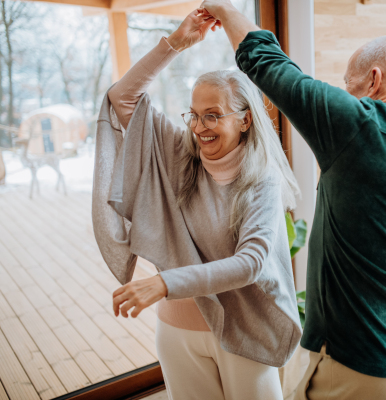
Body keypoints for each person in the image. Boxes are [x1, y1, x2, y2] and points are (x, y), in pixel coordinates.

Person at [200, 1, 386, 399]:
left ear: (374, 80)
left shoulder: (360, 125)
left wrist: (224, 9)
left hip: (354, 365)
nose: (346, 94)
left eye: (348, 83)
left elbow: (267, 63)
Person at [92, 8, 302, 400]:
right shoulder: (179, 152)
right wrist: (176, 42)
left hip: (245, 327)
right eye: (194, 114)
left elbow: (251, 262)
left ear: (244, 121)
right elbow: (121, 99)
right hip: (178, 329)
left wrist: (164, 282)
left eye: (212, 116)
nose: (199, 127)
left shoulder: (262, 181)